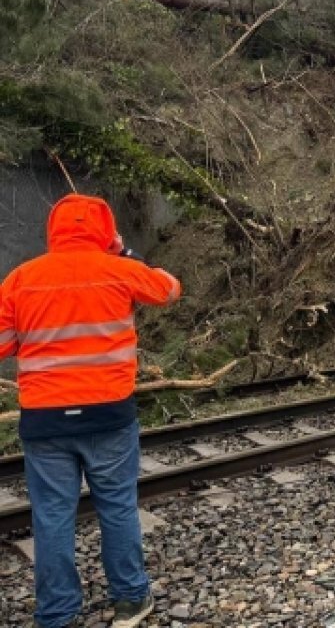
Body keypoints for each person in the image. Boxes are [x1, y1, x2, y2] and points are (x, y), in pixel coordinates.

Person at [0, 194, 182, 628]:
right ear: (105, 231)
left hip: (45, 421)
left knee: (51, 516)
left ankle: (57, 613)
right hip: (109, 416)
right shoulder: (121, 271)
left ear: (53, 230)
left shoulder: (21, 279)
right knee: (117, 506)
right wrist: (124, 253)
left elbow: (3, 342)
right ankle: (130, 600)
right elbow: (169, 288)